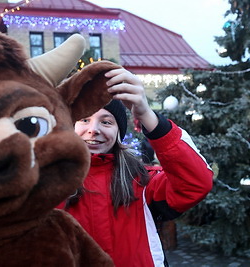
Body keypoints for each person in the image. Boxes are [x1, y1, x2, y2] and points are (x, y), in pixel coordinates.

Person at [58, 67, 213, 266]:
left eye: (106, 122)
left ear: (118, 132)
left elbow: (196, 183)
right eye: (84, 119)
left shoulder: (144, 181)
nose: (93, 130)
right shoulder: (47, 184)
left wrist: (148, 116)